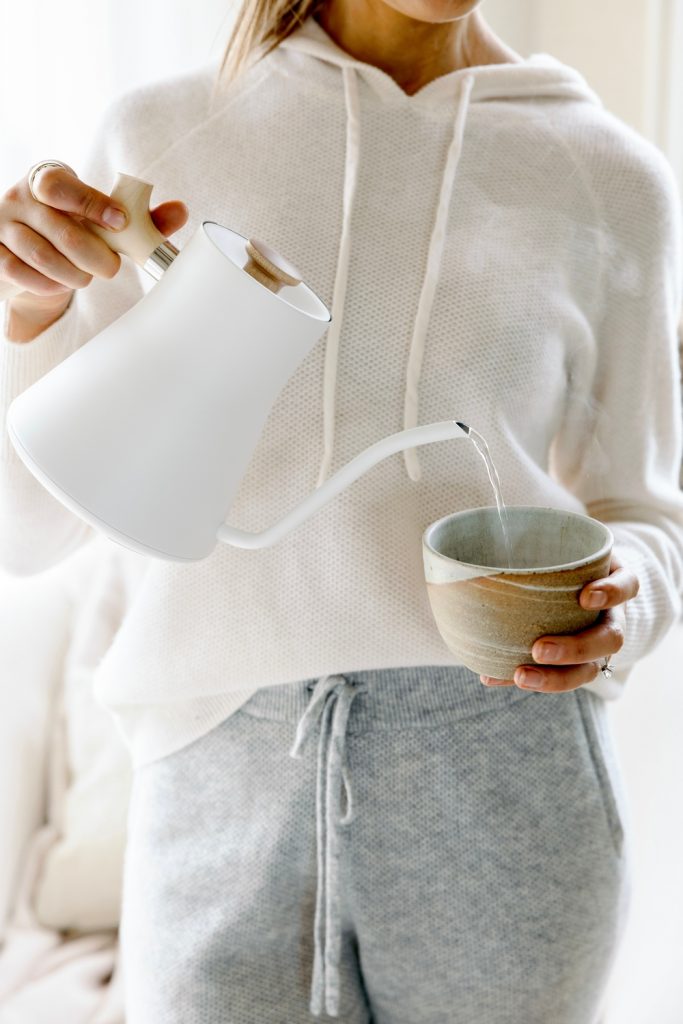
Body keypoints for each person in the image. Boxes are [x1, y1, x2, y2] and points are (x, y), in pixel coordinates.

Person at [1, 0, 682, 1020]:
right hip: (216, 774)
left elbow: (641, 511)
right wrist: (28, 318)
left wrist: (624, 601)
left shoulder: (611, 177)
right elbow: (27, 530)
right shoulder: (158, 140)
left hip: (507, 778)